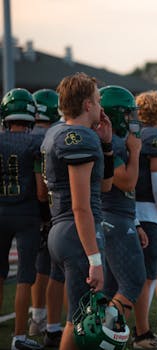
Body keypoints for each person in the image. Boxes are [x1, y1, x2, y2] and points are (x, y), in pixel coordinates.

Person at [41, 72, 114, 348]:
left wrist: (106, 146)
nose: (100, 107)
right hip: (77, 232)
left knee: (81, 318)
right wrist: (94, 259)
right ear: (86, 105)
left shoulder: (56, 132)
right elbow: (81, 205)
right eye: (97, 100)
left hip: (63, 230)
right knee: (81, 320)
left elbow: (105, 187)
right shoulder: (78, 136)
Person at [99, 85, 149, 337]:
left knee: (110, 288)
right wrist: (137, 151)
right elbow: (127, 182)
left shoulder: (118, 142)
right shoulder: (112, 144)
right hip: (113, 218)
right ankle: (104, 337)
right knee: (133, 281)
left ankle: (101, 336)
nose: (133, 119)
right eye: (128, 114)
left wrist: (136, 222)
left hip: (120, 217)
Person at [0, 88, 46, 350]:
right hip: (26, 214)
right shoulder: (35, 143)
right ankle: (19, 337)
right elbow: (41, 189)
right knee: (25, 277)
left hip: (0, 212)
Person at [133, 91, 157, 348]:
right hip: (149, 212)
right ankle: (141, 332)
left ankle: (138, 329)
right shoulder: (156, 136)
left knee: (143, 276)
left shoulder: (135, 134)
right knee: (147, 277)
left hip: (133, 211)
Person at [29, 89, 65, 347]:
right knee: (53, 269)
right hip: (50, 209)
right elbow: (42, 187)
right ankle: (50, 323)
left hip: (24, 209)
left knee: (36, 268)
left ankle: (37, 316)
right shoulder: (52, 136)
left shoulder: (28, 135)